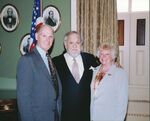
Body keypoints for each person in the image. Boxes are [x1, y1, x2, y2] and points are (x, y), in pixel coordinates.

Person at [16, 24, 62, 121]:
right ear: (36, 36)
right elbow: (24, 100)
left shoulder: (50, 61)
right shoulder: (27, 60)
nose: (48, 39)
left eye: (50, 36)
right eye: (44, 35)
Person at [52, 31, 99, 121]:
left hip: (86, 115)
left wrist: (114, 66)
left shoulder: (90, 59)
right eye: (71, 43)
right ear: (65, 45)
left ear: (81, 44)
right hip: (64, 115)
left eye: (77, 42)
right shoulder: (56, 62)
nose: (74, 46)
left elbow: (103, 69)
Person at [90, 43, 128, 121]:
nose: (103, 57)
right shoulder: (94, 70)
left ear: (112, 57)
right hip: (94, 116)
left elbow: (122, 102)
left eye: (107, 54)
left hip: (110, 116)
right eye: (101, 54)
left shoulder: (119, 73)